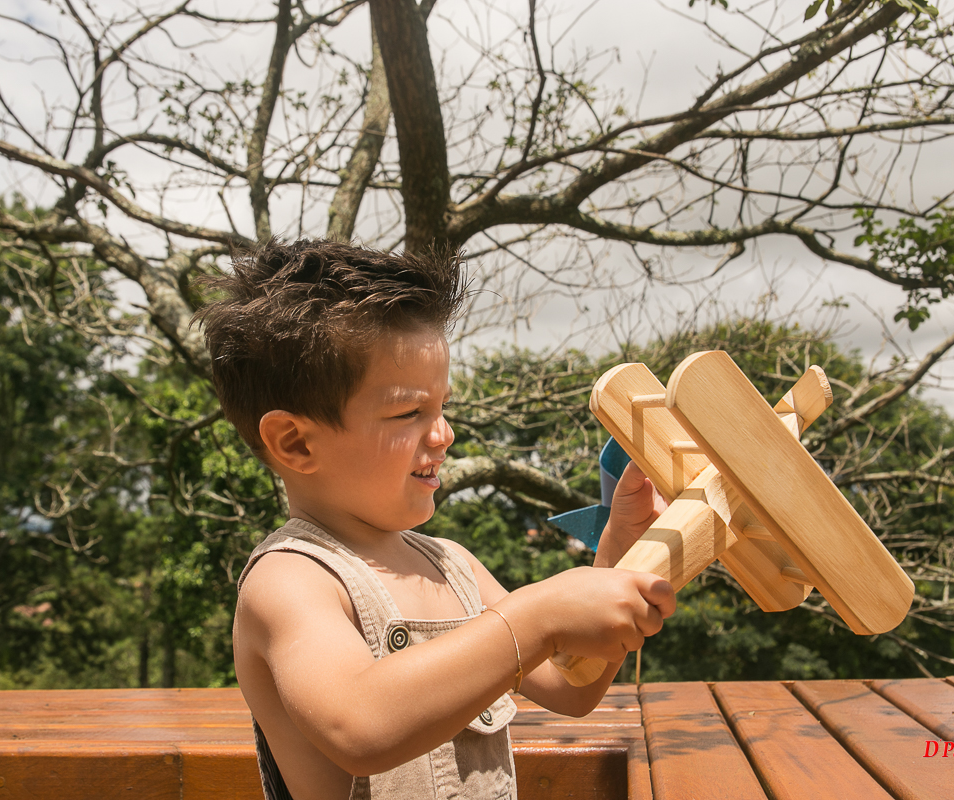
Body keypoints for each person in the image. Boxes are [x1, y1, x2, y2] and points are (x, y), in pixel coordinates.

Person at [194, 240, 674, 800]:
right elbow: (359, 724)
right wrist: (537, 615)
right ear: (295, 442)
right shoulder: (291, 581)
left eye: (441, 407)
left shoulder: (454, 567)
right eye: (408, 413)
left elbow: (572, 682)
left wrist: (620, 548)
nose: (443, 434)